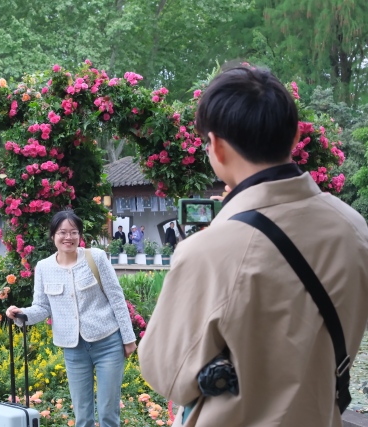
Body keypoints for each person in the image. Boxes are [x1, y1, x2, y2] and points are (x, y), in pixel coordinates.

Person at [138, 65, 368, 427]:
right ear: (294, 136)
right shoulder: (354, 228)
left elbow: (167, 374)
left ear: (215, 146)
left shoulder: (210, 251)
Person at [6, 210, 136, 427]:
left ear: (80, 235)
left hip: (108, 343)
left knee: (108, 412)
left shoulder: (96, 257)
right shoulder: (44, 268)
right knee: (82, 415)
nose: (68, 237)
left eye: (74, 232)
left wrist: (128, 338)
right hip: (73, 349)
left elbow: (116, 298)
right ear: (53, 236)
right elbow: (42, 307)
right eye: (62, 232)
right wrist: (22, 314)